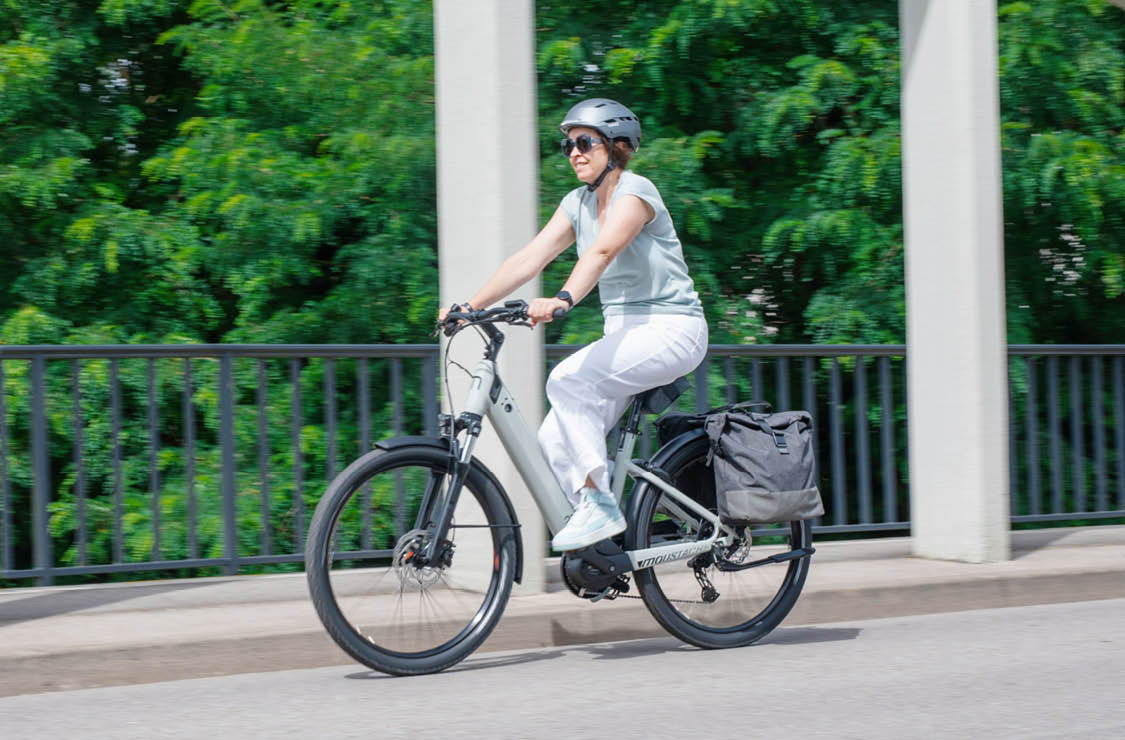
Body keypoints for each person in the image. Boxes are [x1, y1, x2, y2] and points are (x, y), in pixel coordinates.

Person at [440, 98, 708, 551]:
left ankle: (598, 503)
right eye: (568, 146)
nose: (574, 153)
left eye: (585, 143)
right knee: (553, 439)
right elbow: (529, 258)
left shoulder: (636, 193)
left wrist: (563, 298)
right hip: (624, 334)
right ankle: (605, 546)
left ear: (616, 147)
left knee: (567, 381)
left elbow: (602, 251)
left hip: (672, 328)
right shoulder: (577, 203)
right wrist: (470, 306)